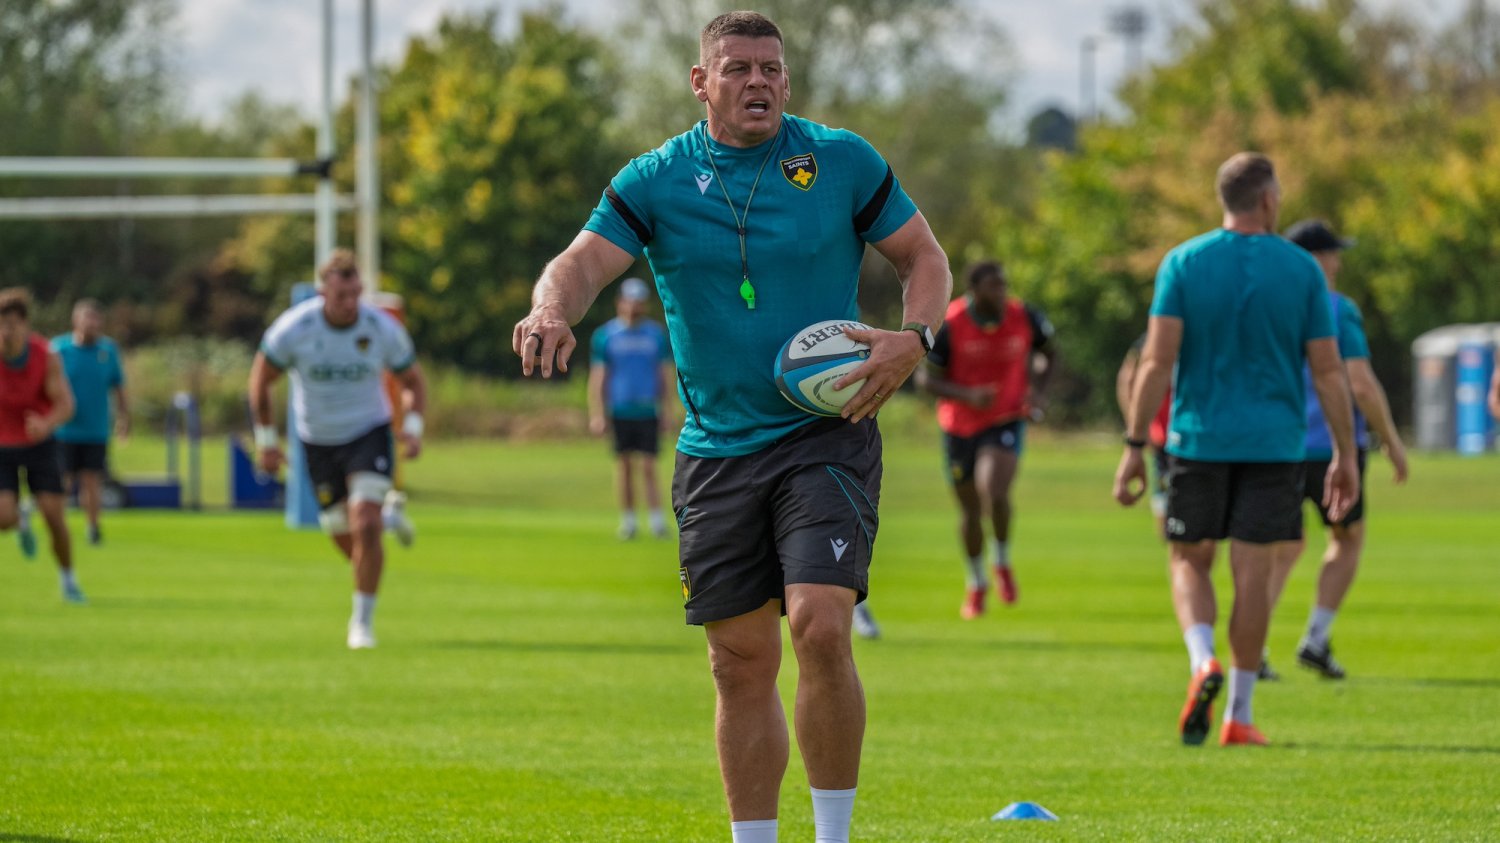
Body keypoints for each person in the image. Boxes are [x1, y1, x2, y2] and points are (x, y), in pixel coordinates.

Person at [511, 12, 950, 842]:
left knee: (821, 623)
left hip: (826, 433)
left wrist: (915, 337)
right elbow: (582, 262)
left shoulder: (841, 160)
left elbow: (923, 256)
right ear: (700, 82)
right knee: (738, 661)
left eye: (772, 69)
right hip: (716, 450)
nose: (759, 83)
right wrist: (549, 308)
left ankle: (833, 835)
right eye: (740, 68)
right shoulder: (655, 179)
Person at [1113, 152, 1360, 748]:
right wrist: (1345, 454)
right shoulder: (1302, 270)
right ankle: (1239, 715)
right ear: (1269, 200)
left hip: (1198, 440)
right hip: (1276, 446)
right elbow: (1329, 372)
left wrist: (1134, 444)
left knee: (1188, 560)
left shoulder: (1183, 262)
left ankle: (1204, 661)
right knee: (1253, 575)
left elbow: (1157, 362)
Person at [248, 249, 428, 650]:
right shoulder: (295, 328)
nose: (350, 304)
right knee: (345, 536)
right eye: (341, 296)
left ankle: (361, 624)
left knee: (364, 524)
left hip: (368, 432)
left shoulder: (380, 328)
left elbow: (413, 381)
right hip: (317, 441)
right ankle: (387, 519)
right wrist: (267, 442)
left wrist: (413, 428)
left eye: (355, 294)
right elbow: (261, 381)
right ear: (322, 293)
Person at [1264, 220, 1409, 681]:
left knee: (1278, 550)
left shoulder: (1267, 308)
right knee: (1346, 539)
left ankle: (1253, 649)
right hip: (1333, 446)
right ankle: (1316, 637)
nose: (1338, 263)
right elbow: (1360, 384)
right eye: (1332, 254)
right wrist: (1391, 440)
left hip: (1278, 446)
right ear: (1315, 259)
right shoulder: (1336, 309)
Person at [916, 260, 1054, 618]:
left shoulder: (1024, 316)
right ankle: (976, 582)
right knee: (970, 510)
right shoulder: (950, 323)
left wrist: (1038, 393)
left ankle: (1002, 562)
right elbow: (925, 380)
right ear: (974, 290)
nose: (1002, 291)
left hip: (1005, 417)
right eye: (994, 286)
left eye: (1004, 284)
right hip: (959, 426)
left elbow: (1049, 354)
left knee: (994, 490)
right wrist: (968, 395)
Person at [0, 288, 82, 602]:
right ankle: (21, 521)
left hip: (39, 443)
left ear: (25, 325)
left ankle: (68, 580)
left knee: (53, 518)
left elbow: (66, 405)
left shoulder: (45, 355)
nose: (6, 332)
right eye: (1, 325)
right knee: (3, 518)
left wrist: (46, 423)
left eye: (11, 325)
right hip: (2, 446)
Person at [588, 277, 673, 540]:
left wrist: (667, 410)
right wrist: (597, 413)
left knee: (649, 465)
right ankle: (629, 521)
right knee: (624, 465)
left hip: (647, 409)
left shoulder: (656, 335)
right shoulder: (606, 336)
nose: (634, 306)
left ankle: (657, 521)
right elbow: (599, 377)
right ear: (620, 302)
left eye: (639, 301)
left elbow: (664, 375)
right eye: (630, 301)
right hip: (620, 409)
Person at [51, 299, 129, 546]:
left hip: (96, 430)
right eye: (88, 318)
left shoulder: (108, 351)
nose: (92, 324)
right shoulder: (58, 349)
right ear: (76, 320)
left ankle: (93, 528)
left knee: (92, 481)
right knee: (62, 482)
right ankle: (58, 527)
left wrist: (124, 418)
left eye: (96, 319)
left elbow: (119, 387)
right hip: (64, 429)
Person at [1116, 335, 1172, 538]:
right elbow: (1127, 378)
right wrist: (1137, 429)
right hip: (1165, 437)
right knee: (1167, 511)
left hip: (1187, 436)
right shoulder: (1148, 340)